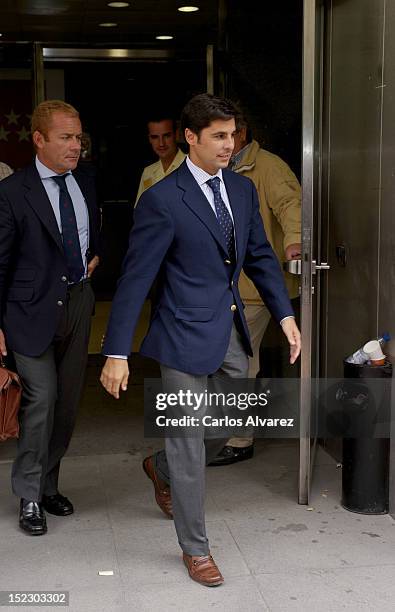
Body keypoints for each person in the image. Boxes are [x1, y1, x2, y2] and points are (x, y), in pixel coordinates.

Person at [100, 93, 301, 587]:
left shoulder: (241, 190)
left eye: (232, 135)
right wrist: (116, 351)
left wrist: (286, 314)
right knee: (190, 441)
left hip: (229, 330)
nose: (228, 144)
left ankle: (161, 466)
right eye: (218, 136)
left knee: (233, 418)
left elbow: (257, 254)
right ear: (191, 138)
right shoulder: (162, 200)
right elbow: (135, 279)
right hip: (181, 334)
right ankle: (197, 549)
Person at [0, 100, 101, 535]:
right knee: (41, 399)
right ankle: (28, 496)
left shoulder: (86, 181)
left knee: (67, 404)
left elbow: (93, 233)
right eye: (65, 137)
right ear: (39, 139)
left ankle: (46, 484)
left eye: (78, 137)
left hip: (77, 303)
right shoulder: (12, 191)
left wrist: (94, 259)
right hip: (27, 311)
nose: (75, 146)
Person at [209, 117, 302, 466]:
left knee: (241, 364)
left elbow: (291, 204)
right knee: (229, 362)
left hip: (252, 288)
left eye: (229, 133)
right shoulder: (222, 168)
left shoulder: (267, 167)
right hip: (227, 286)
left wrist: (294, 242)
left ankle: (238, 439)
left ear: (244, 132)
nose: (224, 141)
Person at [134, 114, 185, 206]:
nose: (161, 143)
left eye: (166, 136)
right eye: (155, 137)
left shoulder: (193, 165)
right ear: (149, 139)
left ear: (176, 135)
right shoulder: (148, 172)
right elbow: (140, 211)